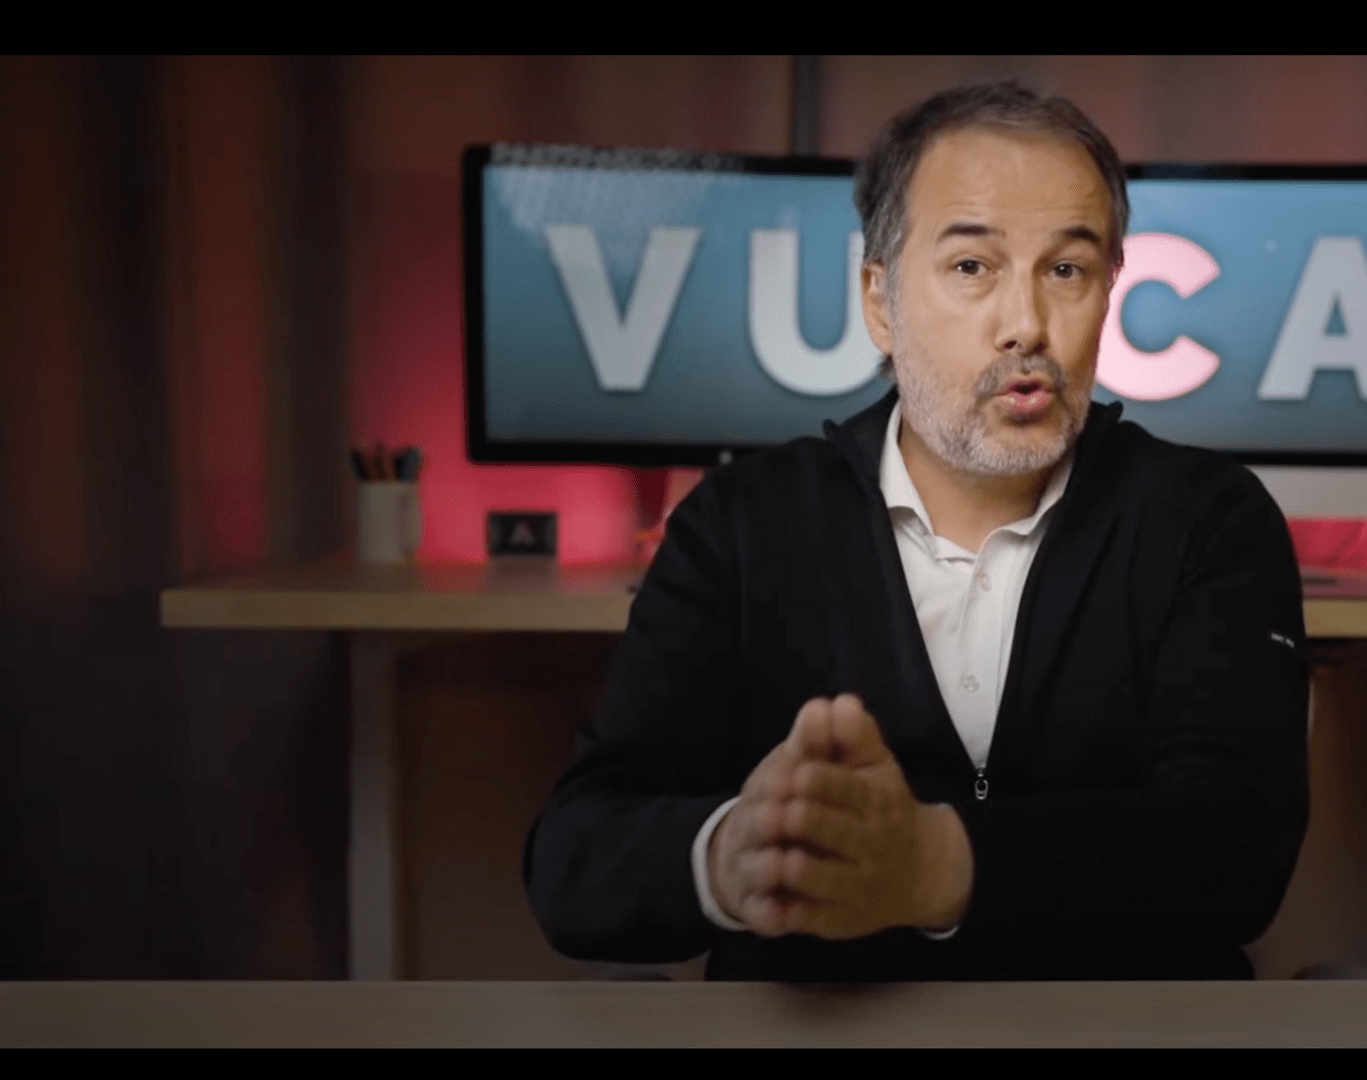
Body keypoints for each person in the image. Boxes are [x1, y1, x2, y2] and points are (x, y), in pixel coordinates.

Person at [524, 81, 1310, 981]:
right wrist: (730, 854)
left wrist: (933, 866)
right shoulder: (741, 523)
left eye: (1067, 270)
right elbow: (574, 859)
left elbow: (1237, 853)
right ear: (881, 301)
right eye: (972, 267)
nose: (1026, 325)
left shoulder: (1210, 518)